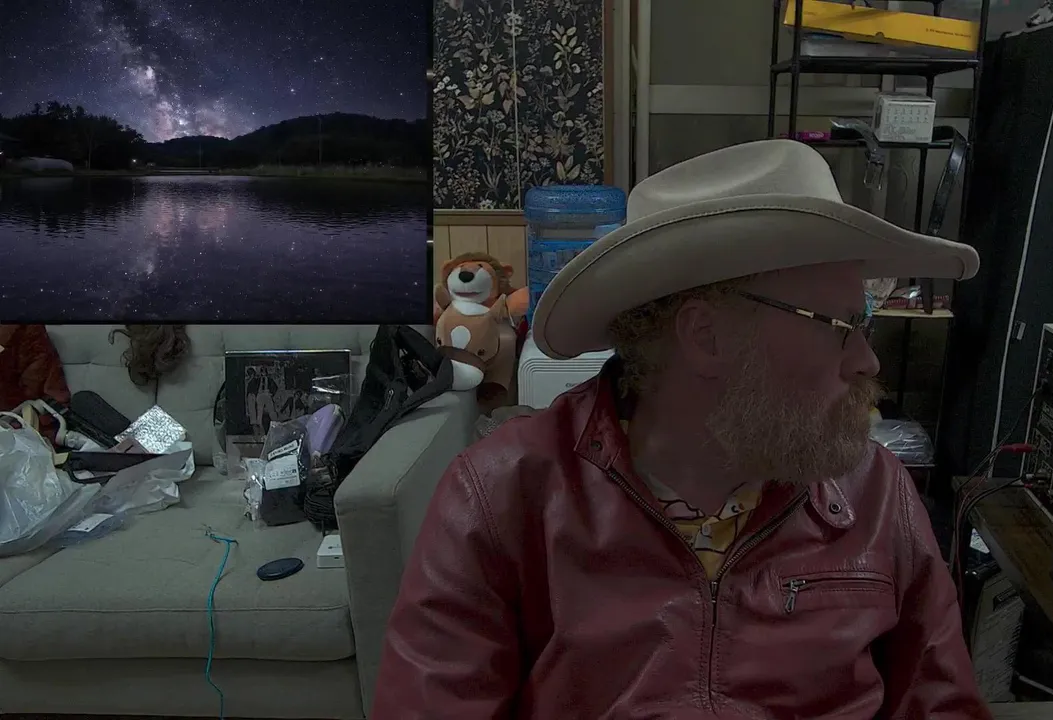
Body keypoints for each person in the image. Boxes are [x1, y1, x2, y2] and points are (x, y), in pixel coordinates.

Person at [373, 139, 990, 719]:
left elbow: (940, 704)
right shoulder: (504, 497)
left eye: (867, 325)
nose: (867, 361)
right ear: (707, 336)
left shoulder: (875, 495)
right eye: (841, 326)